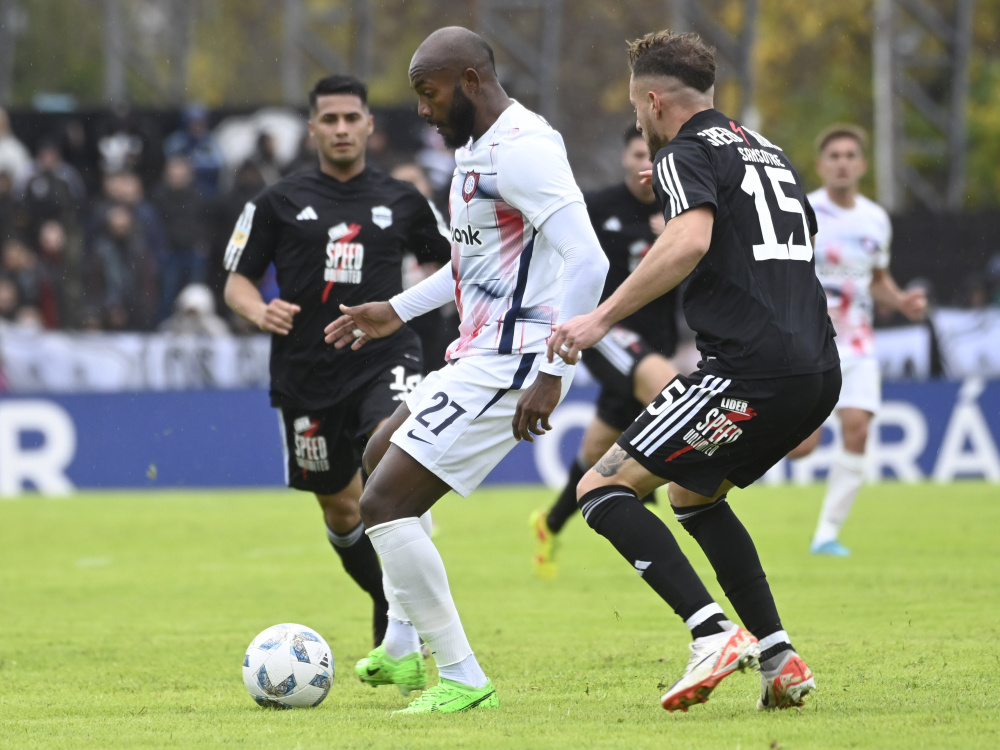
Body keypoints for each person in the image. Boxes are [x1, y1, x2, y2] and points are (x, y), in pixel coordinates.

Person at [547, 29, 841, 713]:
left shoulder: (683, 152)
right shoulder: (765, 150)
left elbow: (689, 241)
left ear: (653, 101)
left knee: (601, 487)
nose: (638, 122)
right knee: (691, 495)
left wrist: (599, 318)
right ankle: (779, 657)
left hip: (746, 367)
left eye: (635, 107)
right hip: (817, 368)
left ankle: (710, 633)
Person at [323, 27, 608, 714]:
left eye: (429, 93)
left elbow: (590, 259)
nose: (422, 110)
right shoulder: (475, 150)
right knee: (378, 453)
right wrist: (396, 309)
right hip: (480, 352)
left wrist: (552, 369)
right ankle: (401, 645)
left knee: (382, 504)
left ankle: (462, 675)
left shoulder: (524, 150)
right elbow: (469, 264)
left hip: (517, 359)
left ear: (470, 81)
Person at [222, 75, 451, 648]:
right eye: (331, 119)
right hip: (306, 373)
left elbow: (457, 266)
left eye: (352, 118)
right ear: (312, 129)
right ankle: (387, 599)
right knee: (342, 509)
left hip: (385, 355)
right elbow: (236, 283)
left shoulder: (403, 199)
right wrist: (259, 310)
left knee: (392, 455)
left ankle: (413, 624)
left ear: (369, 125)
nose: (342, 128)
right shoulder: (275, 201)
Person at [531, 126, 680, 578]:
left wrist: (672, 233)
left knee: (599, 448)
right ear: (624, 158)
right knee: (670, 394)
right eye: (638, 155)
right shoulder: (598, 207)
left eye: (654, 157)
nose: (646, 165)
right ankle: (662, 496)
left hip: (658, 339)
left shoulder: (680, 210)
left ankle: (549, 524)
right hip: (607, 331)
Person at [786, 125, 926, 556]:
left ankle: (826, 534)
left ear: (863, 165)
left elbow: (877, 280)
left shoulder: (875, 219)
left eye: (850, 156)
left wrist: (901, 302)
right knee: (801, 448)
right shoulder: (802, 210)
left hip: (858, 343)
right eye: (834, 156)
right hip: (809, 339)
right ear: (820, 165)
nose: (843, 163)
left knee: (858, 430)